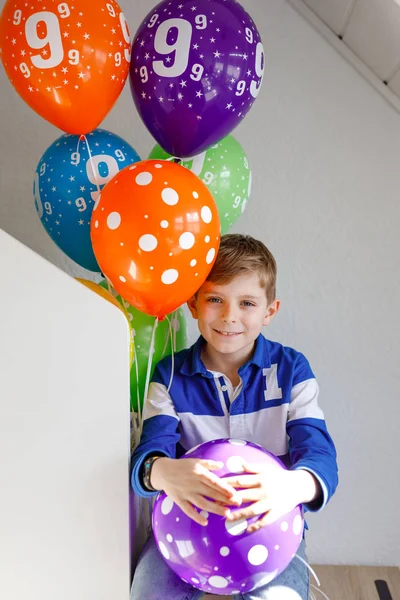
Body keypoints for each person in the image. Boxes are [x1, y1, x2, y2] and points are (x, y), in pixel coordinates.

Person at [130, 233, 338, 600]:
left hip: (269, 526)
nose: (229, 316)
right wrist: (164, 471)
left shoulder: (292, 370)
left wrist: (292, 486)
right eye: (214, 299)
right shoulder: (169, 375)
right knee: (149, 592)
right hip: (184, 526)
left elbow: (320, 455)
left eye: (246, 303)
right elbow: (150, 454)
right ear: (193, 304)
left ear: (269, 311)